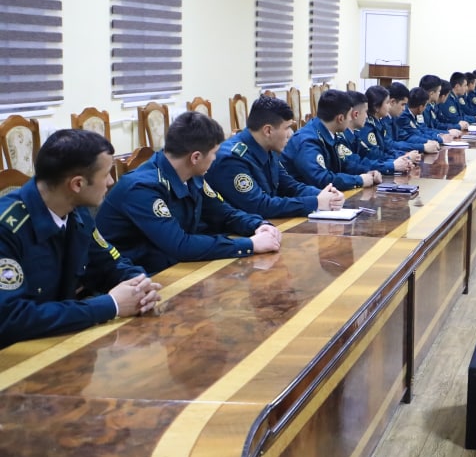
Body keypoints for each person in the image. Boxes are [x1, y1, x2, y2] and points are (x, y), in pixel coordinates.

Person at [0, 129, 162, 347]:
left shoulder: (77, 212)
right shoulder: (6, 228)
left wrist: (139, 286)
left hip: (59, 341)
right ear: (77, 184)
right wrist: (110, 305)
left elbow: (108, 264)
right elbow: (11, 318)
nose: (111, 181)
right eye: (106, 174)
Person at [97, 112, 281, 275]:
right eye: (214, 153)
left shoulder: (192, 175)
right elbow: (179, 245)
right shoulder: (142, 188)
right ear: (196, 157)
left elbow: (224, 214)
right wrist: (250, 245)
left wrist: (258, 225)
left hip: (176, 268)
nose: (216, 158)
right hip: (139, 277)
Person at [206, 96, 346, 219]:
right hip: (237, 233)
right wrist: (315, 202)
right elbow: (259, 206)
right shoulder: (232, 159)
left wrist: (326, 195)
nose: (290, 134)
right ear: (268, 131)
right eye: (286, 128)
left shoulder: (268, 148)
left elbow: (290, 186)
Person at [282, 89, 381, 191]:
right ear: (340, 118)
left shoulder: (329, 132)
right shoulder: (308, 141)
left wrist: (367, 173)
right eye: (349, 115)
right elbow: (321, 179)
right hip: (304, 197)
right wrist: (358, 180)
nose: (351, 119)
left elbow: (346, 163)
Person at [342, 89, 417, 176]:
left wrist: (401, 159)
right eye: (387, 103)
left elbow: (383, 149)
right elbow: (370, 156)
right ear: (376, 107)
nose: (366, 116)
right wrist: (394, 163)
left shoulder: (377, 124)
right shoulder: (366, 128)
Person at [391, 83, 445, 149]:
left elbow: (422, 129)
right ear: (420, 107)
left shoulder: (413, 114)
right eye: (403, 104)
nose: (404, 109)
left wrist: (438, 136)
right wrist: (424, 145)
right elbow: (408, 137)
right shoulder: (403, 116)